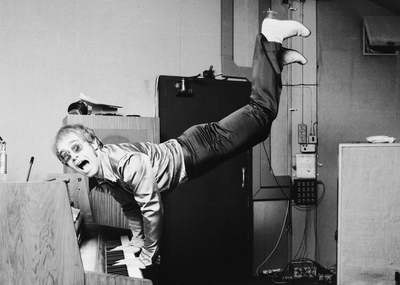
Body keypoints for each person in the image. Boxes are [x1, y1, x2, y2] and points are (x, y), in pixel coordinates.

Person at [54, 18, 310, 269]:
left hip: (197, 148)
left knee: (261, 113)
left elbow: (152, 209)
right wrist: (137, 239)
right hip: (193, 155)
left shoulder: (126, 164)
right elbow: (130, 206)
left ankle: (269, 37)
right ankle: (275, 58)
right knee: (259, 132)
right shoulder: (105, 176)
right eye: (66, 157)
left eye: (76, 148)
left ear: (94, 143)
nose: (73, 158)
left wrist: (148, 252)